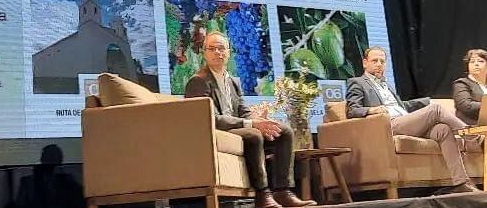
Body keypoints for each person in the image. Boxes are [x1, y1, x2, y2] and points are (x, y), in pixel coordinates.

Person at [185, 32, 315, 208]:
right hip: (216, 131)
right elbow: (210, 118)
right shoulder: (198, 81)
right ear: (205, 53)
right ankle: (262, 195)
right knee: (253, 135)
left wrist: (258, 119)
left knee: (283, 132)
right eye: (212, 48)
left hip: (237, 128)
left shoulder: (232, 81)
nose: (217, 52)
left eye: (221, 48)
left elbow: (243, 111)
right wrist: (252, 124)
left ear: (229, 52)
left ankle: (282, 191)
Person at [346, 46, 480, 194]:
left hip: (404, 120)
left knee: (443, 129)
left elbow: (402, 106)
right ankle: (476, 136)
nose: (379, 64)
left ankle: (461, 182)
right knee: (436, 110)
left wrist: (427, 101)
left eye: (382, 61)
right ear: (365, 63)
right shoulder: (357, 82)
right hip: (388, 124)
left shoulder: (386, 85)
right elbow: (352, 111)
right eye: (374, 61)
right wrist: (372, 110)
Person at [452, 48, 487, 126]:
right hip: (471, 126)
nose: (476, 64)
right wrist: (485, 105)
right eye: (472, 61)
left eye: (480, 61)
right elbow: (466, 106)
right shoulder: (461, 83)